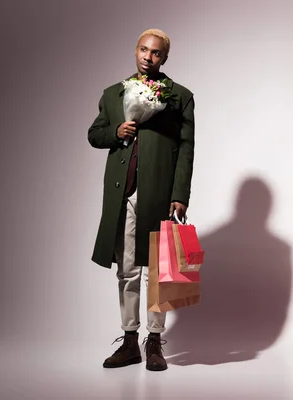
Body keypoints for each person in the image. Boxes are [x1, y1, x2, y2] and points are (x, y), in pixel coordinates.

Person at [87, 28, 195, 372]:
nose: (149, 57)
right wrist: (114, 132)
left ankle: (154, 342)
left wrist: (180, 194)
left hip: (160, 194)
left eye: (157, 53)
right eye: (144, 50)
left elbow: (187, 149)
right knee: (128, 269)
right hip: (122, 193)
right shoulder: (112, 94)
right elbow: (94, 134)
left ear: (165, 57)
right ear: (135, 51)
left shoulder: (179, 96)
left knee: (161, 271)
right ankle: (130, 341)